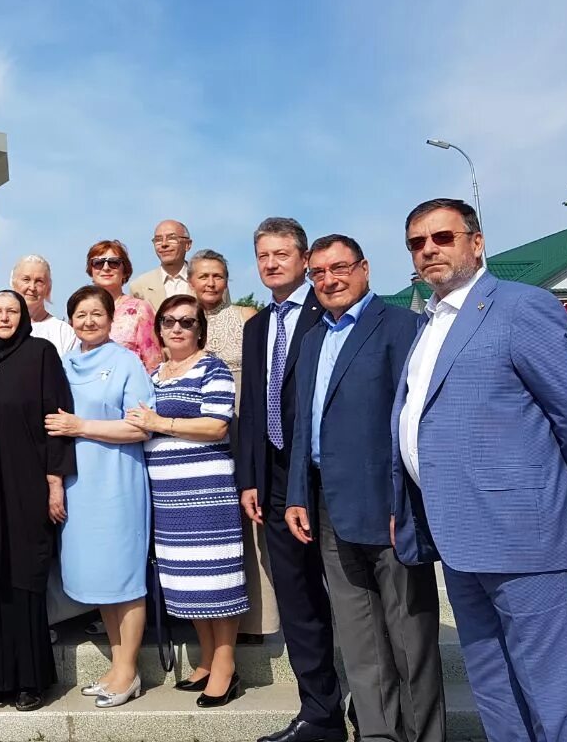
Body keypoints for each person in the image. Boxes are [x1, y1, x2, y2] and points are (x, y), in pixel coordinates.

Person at [392, 199, 567, 741]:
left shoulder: (520, 306)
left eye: (443, 237)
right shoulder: (429, 322)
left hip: (526, 536)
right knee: (495, 690)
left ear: (476, 242)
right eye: (417, 243)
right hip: (458, 538)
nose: (429, 250)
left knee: (560, 698)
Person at [283, 236, 444, 742]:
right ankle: (377, 735)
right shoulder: (312, 339)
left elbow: (414, 424)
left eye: (339, 268)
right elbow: (302, 427)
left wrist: (407, 503)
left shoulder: (401, 327)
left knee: (408, 639)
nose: (329, 280)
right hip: (328, 507)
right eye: (318, 273)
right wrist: (296, 494)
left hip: (387, 507)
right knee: (359, 640)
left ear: (364, 269)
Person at [237, 218, 347, 742]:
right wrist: (251, 477)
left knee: (348, 598)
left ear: (304, 259)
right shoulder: (256, 327)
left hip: (327, 478)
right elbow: (254, 409)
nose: (272, 263)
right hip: (276, 479)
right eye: (263, 255)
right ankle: (318, 715)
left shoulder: (327, 313)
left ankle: (369, 708)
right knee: (298, 600)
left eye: (282, 253)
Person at [0, 290, 74, 712]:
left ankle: (29, 681)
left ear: (23, 316)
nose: (4, 317)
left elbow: (58, 418)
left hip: (27, 484)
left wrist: (55, 478)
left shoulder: (41, 353)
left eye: (12, 311)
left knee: (24, 577)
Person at [127, 294, 247, 709]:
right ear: (159, 327)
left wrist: (161, 423)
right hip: (167, 494)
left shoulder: (212, 368)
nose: (177, 328)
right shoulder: (154, 375)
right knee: (188, 580)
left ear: (200, 330)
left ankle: (227, 665)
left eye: (187, 322)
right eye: (169, 321)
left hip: (206, 491)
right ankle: (206, 659)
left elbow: (216, 425)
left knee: (216, 579)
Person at [45, 285, 154, 709]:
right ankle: (116, 664)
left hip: (116, 483)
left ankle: (128, 671)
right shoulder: (63, 364)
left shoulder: (126, 362)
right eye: (80, 314)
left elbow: (140, 427)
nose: (89, 321)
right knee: (102, 581)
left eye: (97, 313)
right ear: (71, 321)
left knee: (125, 579)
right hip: (78, 485)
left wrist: (81, 427)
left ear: (111, 318)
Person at [189, 250, 277, 643]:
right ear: (190, 280)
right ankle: (206, 613)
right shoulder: (180, 320)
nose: (210, 283)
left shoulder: (244, 317)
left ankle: (257, 620)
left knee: (250, 516)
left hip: (243, 421)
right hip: (199, 430)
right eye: (203, 276)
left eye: (218, 276)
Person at [0, 255, 78, 356]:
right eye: (26, 279)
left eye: (39, 281)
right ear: (13, 283)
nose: (32, 287)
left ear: (48, 287)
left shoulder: (63, 332)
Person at [87, 239, 160, 372]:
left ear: (125, 271)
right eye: (98, 263)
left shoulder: (140, 309)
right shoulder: (82, 310)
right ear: (91, 271)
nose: (106, 267)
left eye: (114, 262)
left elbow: (153, 362)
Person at [130, 219, 194, 309]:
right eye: (158, 240)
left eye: (171, 238)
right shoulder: (139, 286)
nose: (164, 244)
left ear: (188, 245)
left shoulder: (205, 281)